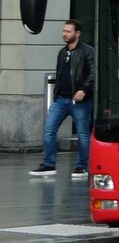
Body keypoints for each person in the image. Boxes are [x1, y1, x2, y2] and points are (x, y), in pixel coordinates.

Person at [30, 19, 95, 179]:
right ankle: (48, 164)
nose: (64, 34)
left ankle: (82, 166)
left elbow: (94, 73)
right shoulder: (62, 52)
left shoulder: (87, 51)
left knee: (83, 134)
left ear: (77, 33)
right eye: (64, 31)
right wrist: (57, 94)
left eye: (68, 31)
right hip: (61, 99)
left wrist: (83, 89)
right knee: (49, 130)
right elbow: (60, 74)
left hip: (80, 101)